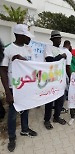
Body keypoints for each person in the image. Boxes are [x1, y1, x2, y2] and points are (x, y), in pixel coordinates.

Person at [0, 24, 37, 152]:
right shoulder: (7, 50)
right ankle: (11, 137)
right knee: (12, 114)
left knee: (26, 109)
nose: (29, 39)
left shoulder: (29, 49)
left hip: (26, 86)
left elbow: (33, 66)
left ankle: (25, 130)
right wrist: (8, 93)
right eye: (27, 36)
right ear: (19, 35)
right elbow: (3, 71)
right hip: (13, 88)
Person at [43, 30, 68, 130]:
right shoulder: (48, 48)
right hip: (51, 79)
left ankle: (56, 117)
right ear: (53, 39)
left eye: (60, 38)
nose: (59, 40)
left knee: (60, 100)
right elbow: (49, 60)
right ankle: (46, 120)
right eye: (57, 38)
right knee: (49, 100)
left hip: (60, 80)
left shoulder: (63, 50)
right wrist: (60, 56)